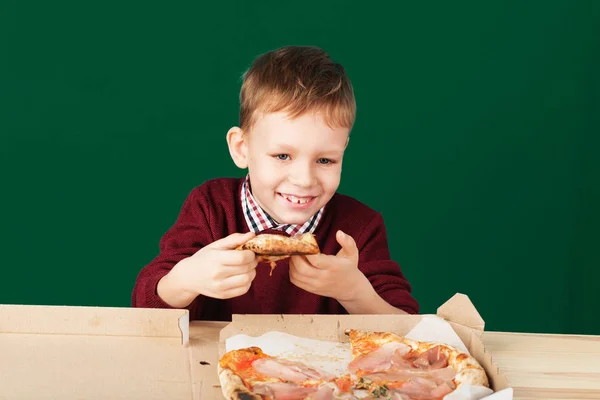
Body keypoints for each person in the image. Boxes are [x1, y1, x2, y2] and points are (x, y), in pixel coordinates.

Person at [131, 45, 419, 320]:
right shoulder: (210, 207)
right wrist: (186, 280)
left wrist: (354, 292)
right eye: (283, 155)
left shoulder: (359, 227)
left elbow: (408, 326)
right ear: (242, 148)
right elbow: (146, 307)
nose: (304, 180)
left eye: (325, 160)